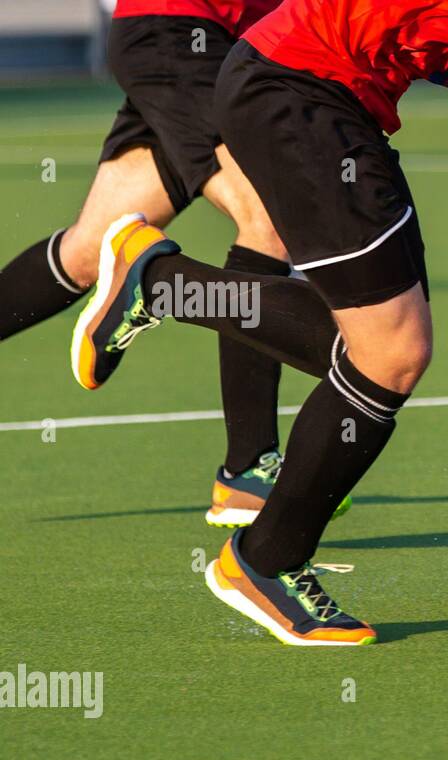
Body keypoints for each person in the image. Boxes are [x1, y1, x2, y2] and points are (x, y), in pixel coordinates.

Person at [71, 0, 448, 645]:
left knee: (379, 347)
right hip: (301, 87)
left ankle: (167, 295)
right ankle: (260, 553)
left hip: (314, 93)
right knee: (391, 349)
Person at [0, 0, 338, 528]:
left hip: (200, 42)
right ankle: (248, 470)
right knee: (268, 220)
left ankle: (247, 473)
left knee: (88, 250)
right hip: (180, 33)